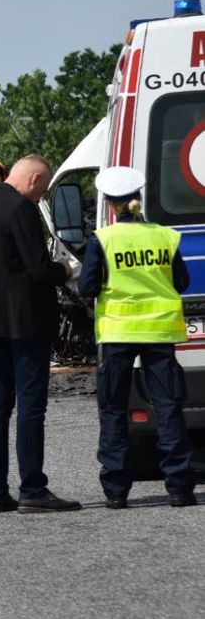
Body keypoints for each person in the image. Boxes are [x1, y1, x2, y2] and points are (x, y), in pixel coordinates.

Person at [0, 154, 82, 513]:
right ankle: (33, 488)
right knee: (31, 406)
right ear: (33, 180)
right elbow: (37, 268)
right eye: (42, 190)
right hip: (25, 321)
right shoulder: (21, 209)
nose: (39, 196)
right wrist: (65, 269)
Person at [77, 166, 196, 508]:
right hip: (160, 330)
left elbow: (87, 287)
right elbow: (182, 283)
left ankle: (116, 491)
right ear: (138, 199)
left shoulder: (103, 239)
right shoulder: (165, 236)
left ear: (111, 206)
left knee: (113, 408)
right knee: (169, 406)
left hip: (117, 332)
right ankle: (179, 488)